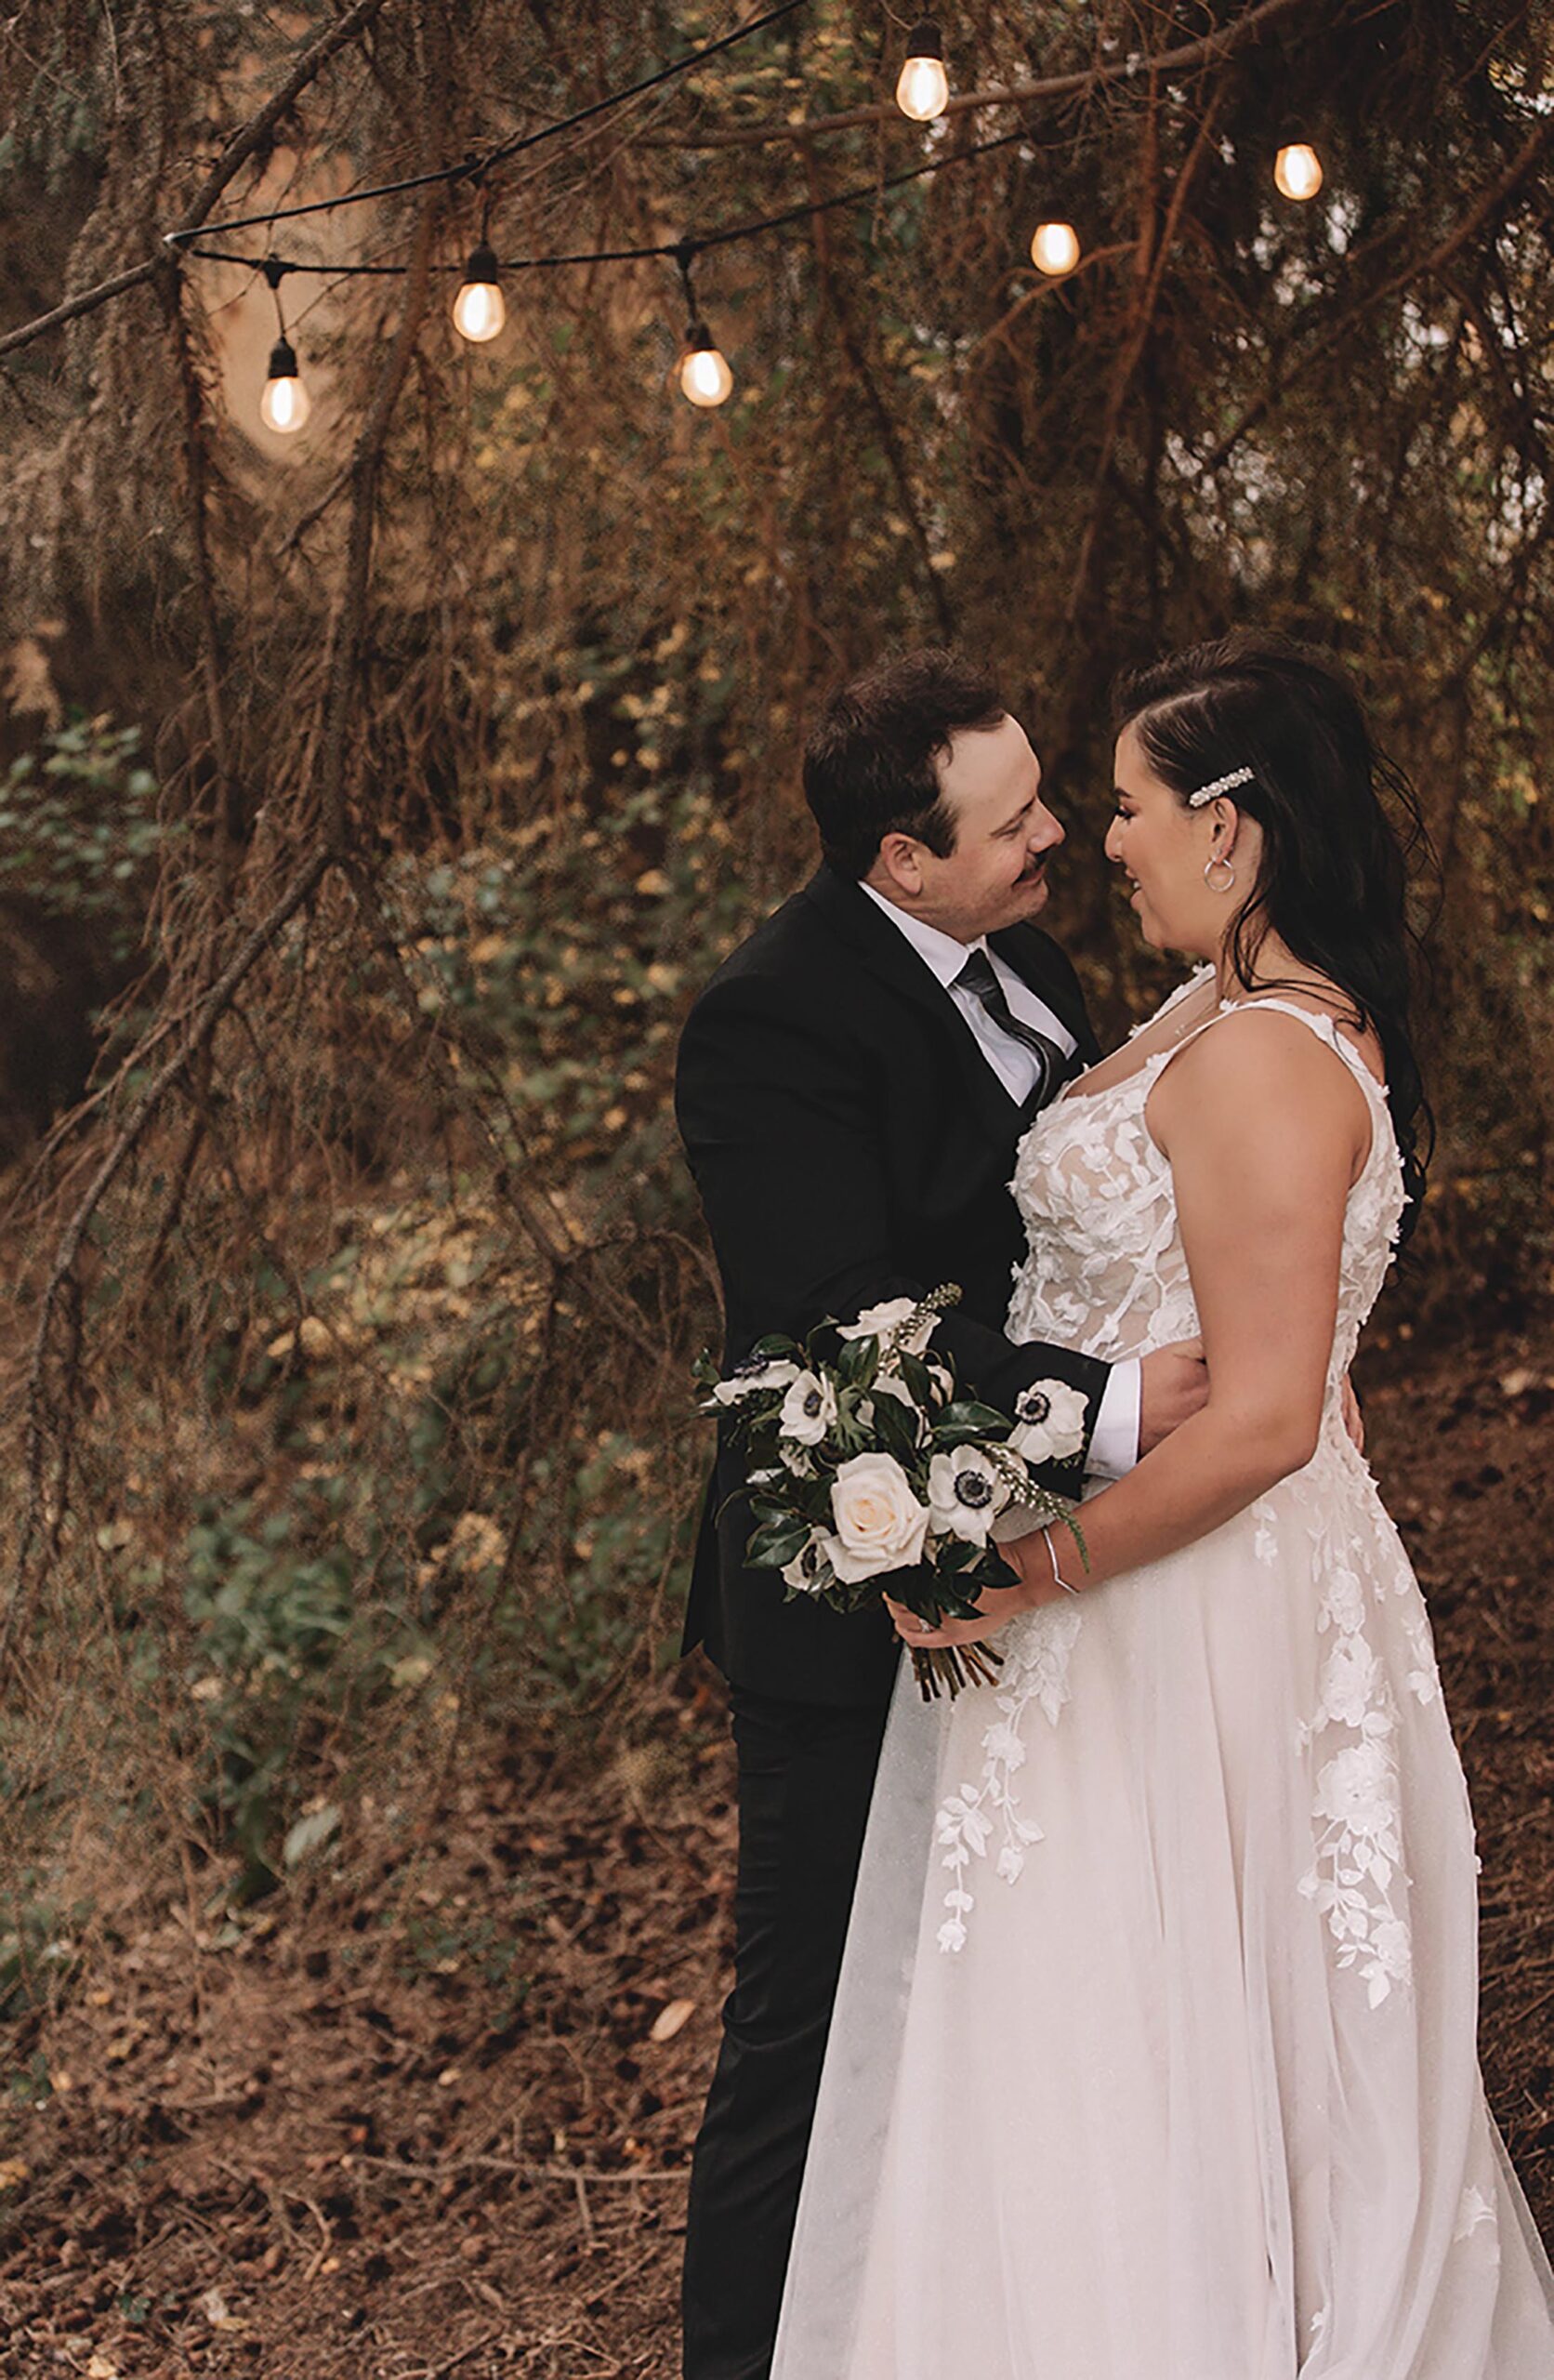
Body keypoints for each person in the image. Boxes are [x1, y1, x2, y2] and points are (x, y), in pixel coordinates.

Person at [770, 631, 1554, 2378]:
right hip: (1145, 1592)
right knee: (1101, 2041)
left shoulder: (1271, 1048)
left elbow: (1267, 1422)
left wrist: (1023, 1574)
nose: (1095, 841)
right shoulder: (1211, 1006)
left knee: (1196, 2028)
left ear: (1231, 826)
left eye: (1121, 807)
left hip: (1202, 1613)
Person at [673, 649, 1210, 2380]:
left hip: (1044, 1576)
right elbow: (846, 1313)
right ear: (901, 859)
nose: (1052, 832)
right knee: (813, 2015)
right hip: (859, 1582)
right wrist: (1115, 1403)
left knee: (1005, 1981)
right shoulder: (772, 1019)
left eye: (1052, 797)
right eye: (1015, 818)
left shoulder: (1026, 958)